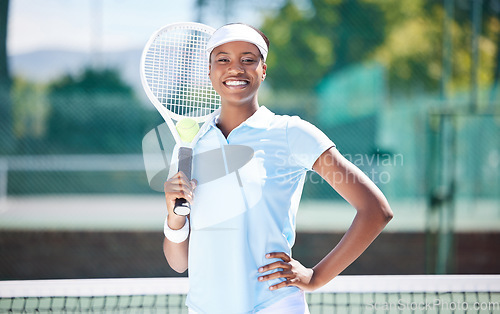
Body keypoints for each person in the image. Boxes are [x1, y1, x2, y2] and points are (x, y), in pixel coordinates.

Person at [162, 23, 393, 313]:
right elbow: (179, 262)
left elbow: (376, 211)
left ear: (263, 70)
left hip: (275, 305)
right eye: (223, 59)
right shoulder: (189, 146)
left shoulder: (291, 133)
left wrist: (316, 276)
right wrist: (173, 215)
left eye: (248, 59)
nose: (235, 68)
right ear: (210, 72)